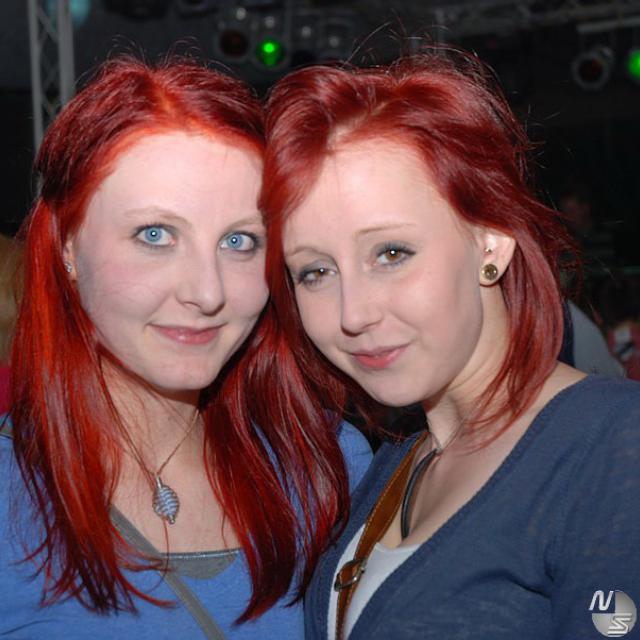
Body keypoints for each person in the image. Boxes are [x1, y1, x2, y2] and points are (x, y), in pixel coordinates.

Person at [259, 51, 640, 639]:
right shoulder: (393, 466)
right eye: (315, 272)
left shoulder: (613, 446)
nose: (353, 314)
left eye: (391, 253)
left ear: (491, 242)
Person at [0, 57, 371, 638]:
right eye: (155, 235)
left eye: (239, 241)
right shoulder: (10, 493)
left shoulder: (327, 465)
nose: (207, 292)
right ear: (68, 247)